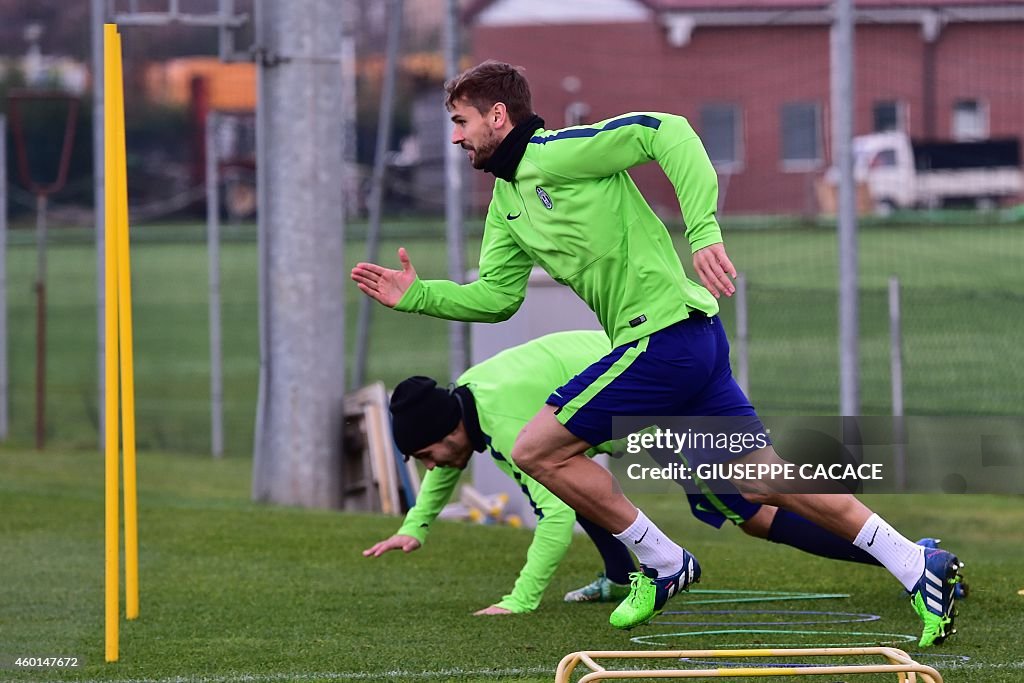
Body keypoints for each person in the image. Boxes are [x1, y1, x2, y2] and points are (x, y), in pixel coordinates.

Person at [350, 60, 963, 646]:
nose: (454, 138)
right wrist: (420, 295)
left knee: (537, 448)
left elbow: (668, 132)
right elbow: (496, 297)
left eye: (460, 122)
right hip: (687, 342)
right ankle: (917, 565)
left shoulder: (559, 152)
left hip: (664, 338)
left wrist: (703, 232)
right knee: (759, 486)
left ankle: (665, 561)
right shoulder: (506, 206)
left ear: (498, 116)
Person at [363, 331, 964, 614]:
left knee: (754, 507)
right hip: (641, 390)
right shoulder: (466, 404)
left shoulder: (501, 420)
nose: (431, 468)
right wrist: (416, 527)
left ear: (447, 435)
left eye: (426, 456)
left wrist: (520, 602)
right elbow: (449, 465)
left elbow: (554, 516)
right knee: (578, 475)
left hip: (655, 391)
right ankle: (624, 576)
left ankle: (914, 559)